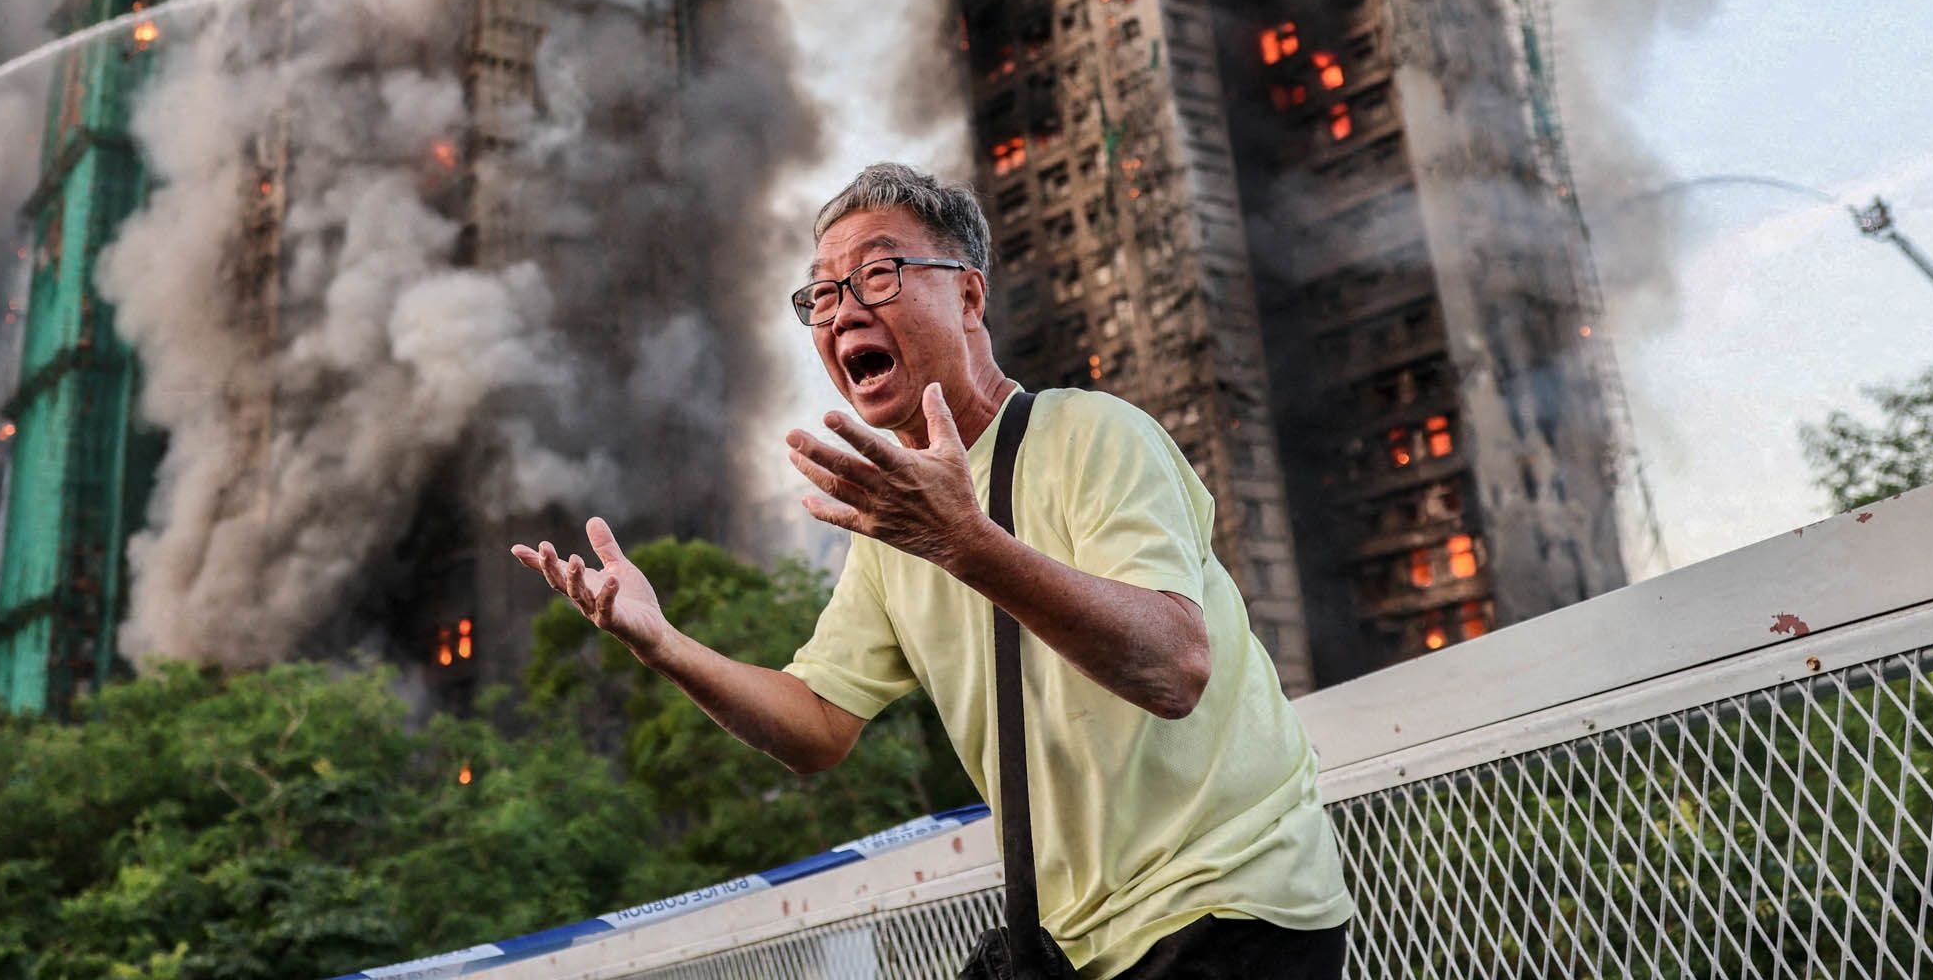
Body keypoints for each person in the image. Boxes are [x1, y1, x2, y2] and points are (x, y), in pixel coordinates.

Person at [513, 162, 1355, 980]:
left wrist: (963, 541)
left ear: (969, 294)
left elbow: (1174, 668)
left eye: (878, 274)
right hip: (1074, 944)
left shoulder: (1094, 435)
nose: (844, 311)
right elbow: (816, 726)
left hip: (1230, 906)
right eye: (823, 294)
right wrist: (662, 645)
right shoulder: (892, 528)